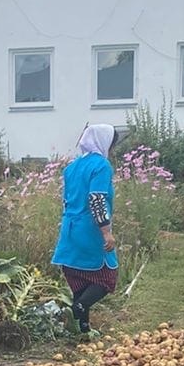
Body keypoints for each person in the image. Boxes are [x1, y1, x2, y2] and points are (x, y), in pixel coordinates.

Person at [51, 123, 119, 339]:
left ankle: (82, 330)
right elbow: (96, 199)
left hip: (70, 231)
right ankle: (76, 310)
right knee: (106, 278)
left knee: (80, 280)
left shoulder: (72, 167)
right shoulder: (101, 166)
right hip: (90, 231)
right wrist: (106, 232)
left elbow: (67, 200)